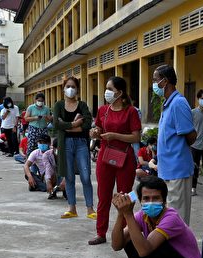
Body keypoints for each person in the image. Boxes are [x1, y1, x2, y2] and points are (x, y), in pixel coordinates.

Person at [110, 175, 202, 258]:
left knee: (157, 244)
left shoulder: (171, 218)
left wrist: (128, 215)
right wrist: (121, 214)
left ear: (164, 200)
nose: (150, 202)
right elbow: (117, 245)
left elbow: (144, 251)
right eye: (146, 198)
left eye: (156, 198)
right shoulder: (142, 215)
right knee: (130, 240)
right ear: (140, 200)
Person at [90, 76, 141, 245]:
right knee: (103, 196)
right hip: (105, 156)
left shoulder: (131, 111)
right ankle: (100, 232)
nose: (107, 92)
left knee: (127, 196)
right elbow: (97, 127)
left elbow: (136, 137)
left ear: (120, 92)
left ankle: (125, 232)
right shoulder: (103, 110)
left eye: (110, 89)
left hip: (126, 159)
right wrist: (95, 132)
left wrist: (114, 135)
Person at [153, 64, 197, 225]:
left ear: (165, 82)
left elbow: (191, 135)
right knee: (167, 219)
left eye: (155, 80)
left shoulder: (178, 103)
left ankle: (180, 250)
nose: (154, 84)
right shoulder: (167, 104)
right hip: (166, 171)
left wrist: (178, 151)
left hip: (178, 171)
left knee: (177, 221)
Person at [52, 76, 97, 222]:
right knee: (69, 177)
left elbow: (87, 124)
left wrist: (70, 128)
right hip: (65, 144)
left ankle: (90, 208)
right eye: (68, 86)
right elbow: (56, 124)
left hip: (81, 143)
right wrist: (73, 124)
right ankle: (72, 208)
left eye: (73, 86)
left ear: (77, 88)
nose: (70, 89)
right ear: (64, 88)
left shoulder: (82, 105)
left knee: (85, 176)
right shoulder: (58, 105)